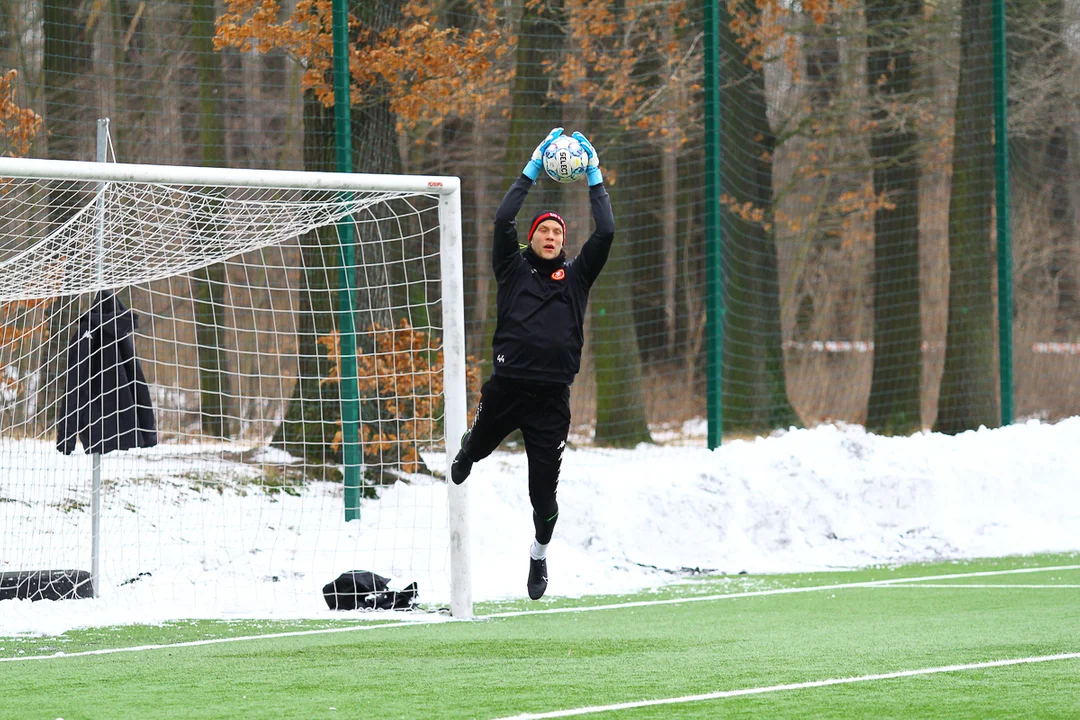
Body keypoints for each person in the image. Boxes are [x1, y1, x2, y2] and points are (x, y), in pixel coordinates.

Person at [449, 127, 614, 600]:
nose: (549, 235)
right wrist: (532, 168)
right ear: (531, 237)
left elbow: (607, 230)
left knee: (542, 498)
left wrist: (595, 177)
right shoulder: (512, 267)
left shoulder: (578, 275)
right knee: (474, 453)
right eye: (543, 229)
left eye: (557, 231)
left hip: (550, 402)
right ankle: (467, 447)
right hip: (506, 389)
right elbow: (502, 219)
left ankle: (539, 557)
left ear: (564, 241)